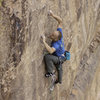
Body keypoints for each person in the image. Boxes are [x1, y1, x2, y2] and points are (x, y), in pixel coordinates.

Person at [41, 10, 66, 84]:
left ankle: (50, 72)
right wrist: (53, 15)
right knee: (59, 68)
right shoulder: (59, 33)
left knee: (48, 57)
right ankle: (60, 80)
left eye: (52, 35)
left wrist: (44, 42)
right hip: (61, 56)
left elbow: (51, 51)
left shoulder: (56, 44)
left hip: (59, 58)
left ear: (55, 39)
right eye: (52, 33)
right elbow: (61, 21)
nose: (51, 34)